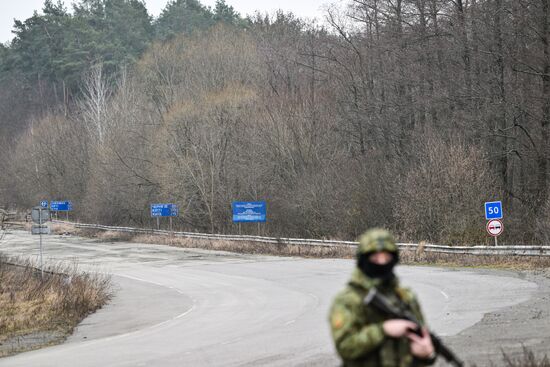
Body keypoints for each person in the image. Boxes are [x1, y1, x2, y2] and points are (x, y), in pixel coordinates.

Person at [329, 228, 436, 367]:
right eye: (374, 257)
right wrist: (383, 330)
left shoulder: (405, 297)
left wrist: (427, 354)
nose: (381, 262)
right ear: (363, 260)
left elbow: (422, 340)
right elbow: (345, 347)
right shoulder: (348, 300)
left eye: (386, 257)